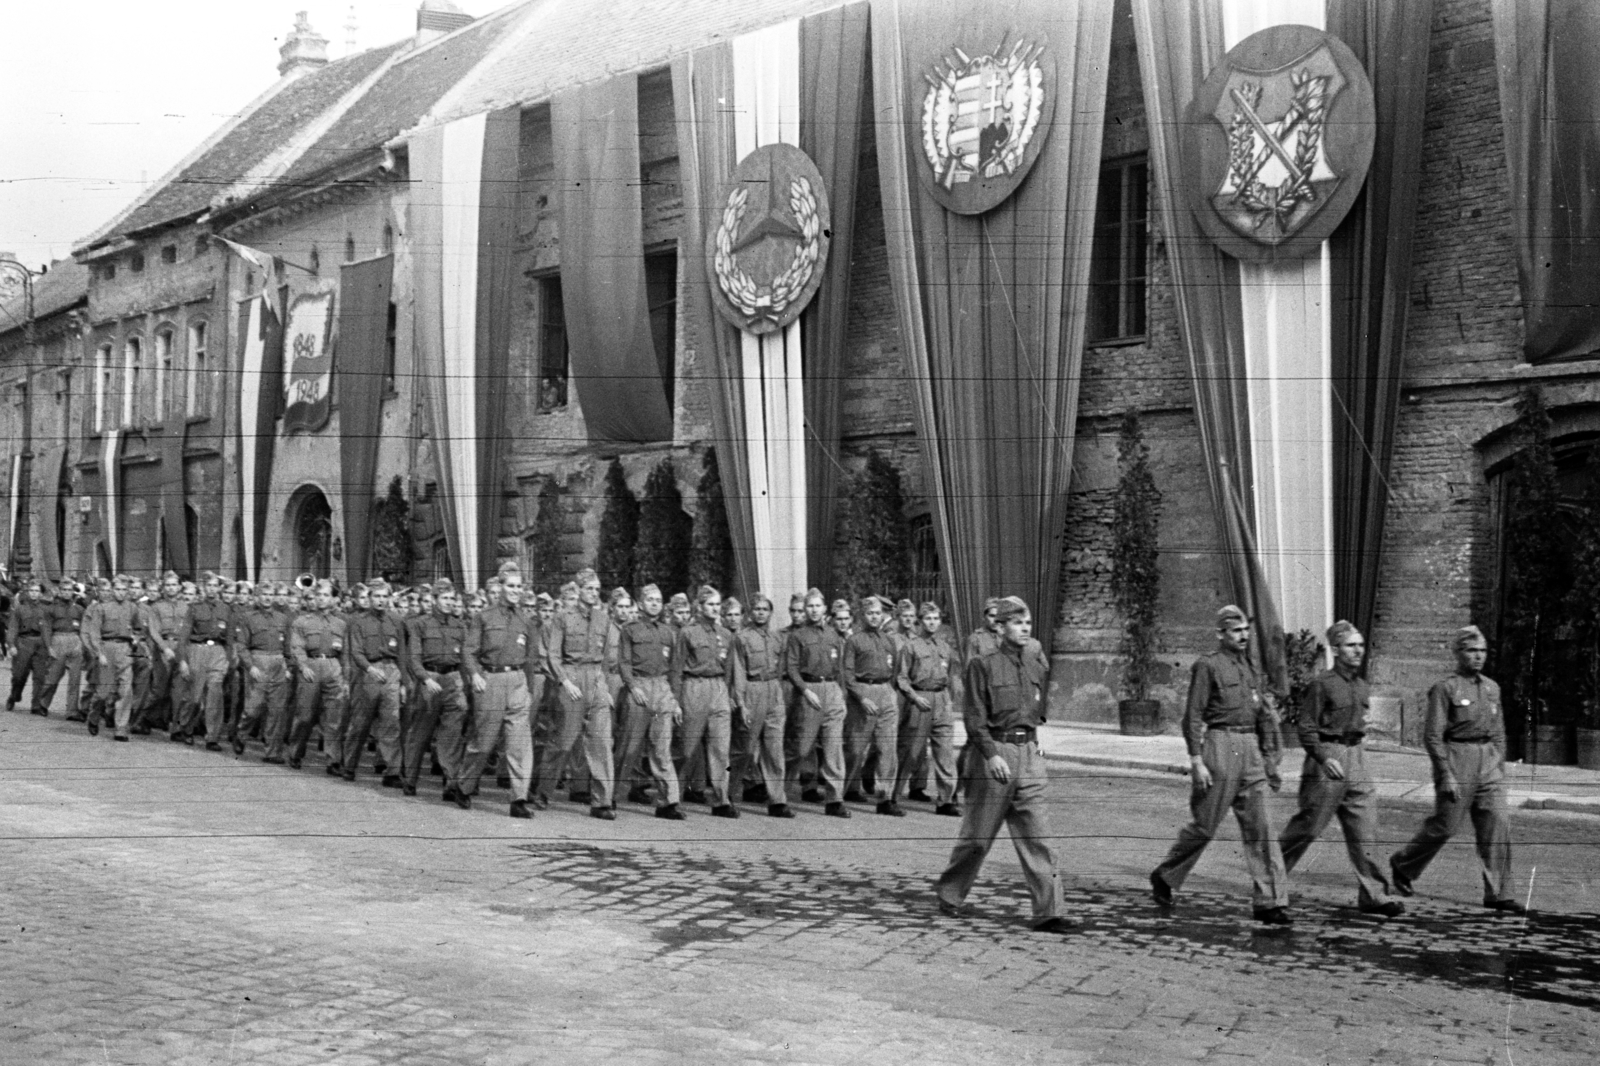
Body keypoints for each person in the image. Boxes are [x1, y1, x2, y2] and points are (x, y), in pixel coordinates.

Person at [933, 596, 1073, 934]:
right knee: (978, 838)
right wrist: (991, 754)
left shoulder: (1034, 662)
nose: (1024, 628)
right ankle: (950, 894)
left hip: (1029, 754)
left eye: (1027, 623)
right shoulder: (982, 664)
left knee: (1039, 837)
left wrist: (1037, 748)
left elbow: (1036, 711)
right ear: (1000, 627)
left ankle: (1049, 910)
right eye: (1016, 623)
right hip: (994, 753)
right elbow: (974, 717)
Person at [1150, 605, 1291, 925]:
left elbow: (1264, 716)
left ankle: (1270, 900)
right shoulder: (1208, 666)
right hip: (1219, 747)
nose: (1242, 635)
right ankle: (1166, 874)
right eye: (1235, 630)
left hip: (1249, 749)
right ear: (1221, 634)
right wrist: (1196, 760)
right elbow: (1193, 716)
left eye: (1245, 630)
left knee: (1263, 828)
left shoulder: (1251, 668)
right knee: (1204, 826)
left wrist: (1270, 761)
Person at [1389, 626, 1527, 914]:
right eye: (1471, 651)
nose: (1478, 657)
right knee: (1446, 826)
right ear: (1458, 653)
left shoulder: (1491, 688)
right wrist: (1445, 773)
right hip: (1457, 757)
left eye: (1482, 651)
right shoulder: (1445, 688)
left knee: (1497, 823)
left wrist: (1499, 765)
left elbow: (1499, 730)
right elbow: (1433, 735)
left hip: (1488, 759)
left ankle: (1499, 893)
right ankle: (1403, 865)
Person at [1278, 621, 1404, 917]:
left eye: (1360, 644)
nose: (1358, 650)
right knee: (1308, 827)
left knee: (1365, 829)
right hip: (1327, 758)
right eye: (1351, 645)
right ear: (1335, 650)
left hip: (1356, 757)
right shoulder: (1322, 684)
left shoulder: (1361, 685)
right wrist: (1323, 757)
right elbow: (1306, 726)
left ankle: (1374, 895)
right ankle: (1269, 881)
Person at [456, 564, 540, 818]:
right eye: (510, 586)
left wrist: (528, 689)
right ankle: (464, 785)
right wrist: (474, 675)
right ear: (500, 587)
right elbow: (469, 651)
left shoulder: (526, 620)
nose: (515, 591)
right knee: (483, 743)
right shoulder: (484, 617)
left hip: (516, 681)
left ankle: (518, 799)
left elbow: (530, 658)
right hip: (490, 679)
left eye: (519, 587)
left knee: (519, 745)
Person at [538, 568, 615, 818]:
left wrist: (602, 684)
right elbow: (553, 654)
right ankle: (543, 792)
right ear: (579, 590)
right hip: (571, 677)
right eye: (589, 588)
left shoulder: (603, 618)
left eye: (596, 589)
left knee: (601, 743)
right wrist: (564, 681)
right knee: (563, 742)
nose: (594, 593)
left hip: (595, 680)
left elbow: (606, 656)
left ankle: (602, 802)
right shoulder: (563, 617)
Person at [614, 583, 684, 819]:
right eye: (650, 600)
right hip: (639, 688)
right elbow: (624, 662)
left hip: (662, 689)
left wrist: (674, 700)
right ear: (641, 604)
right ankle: (608, 795)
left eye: (658, 600)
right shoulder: (630, 630)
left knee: (661, 748)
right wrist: (632, 686)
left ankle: (668, 802)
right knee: (629, 747)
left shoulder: (668, 633)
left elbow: (674, 669)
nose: (654, 603)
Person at [672, 585, 738, 818]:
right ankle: (671, 797)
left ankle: (721, 800)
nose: (714, 608)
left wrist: (727, 694)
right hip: (694, 687)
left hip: (718, 688)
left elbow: (729, 668)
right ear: (699, 607)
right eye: (710, 604)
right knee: (687, 748)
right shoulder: (687, 633)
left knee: (721, 748)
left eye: (717, 604)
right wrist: (676, 701)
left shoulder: (726, 635)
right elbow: (677, 669)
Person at [783, 588, 849, 817]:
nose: (813, 610)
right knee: (800, 749)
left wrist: (841, 696)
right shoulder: (797, 636)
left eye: (817, 606)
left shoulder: (834, 636)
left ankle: (834, 800)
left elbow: (840, 669)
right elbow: (791, 668)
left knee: (833, 748)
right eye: (809, 606)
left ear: (825, 608)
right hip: (809, 691)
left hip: (831, 691)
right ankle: (780, 791)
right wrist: (804, 690)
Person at [402, 579, 469, 800]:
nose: (449, 603)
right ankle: (410, 779)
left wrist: (464, 680)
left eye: (452, 599)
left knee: (451, 734)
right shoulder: (420, 624)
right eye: (445, 599)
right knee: (420, 733)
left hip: (452, 678)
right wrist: (424, 679)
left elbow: (465, 658)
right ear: (435, 600)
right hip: (429, 679)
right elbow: (414, 657)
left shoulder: (460, 626)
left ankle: (450, 783)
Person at [894, 602, 961, 815]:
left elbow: (949, 675)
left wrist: (948, 701)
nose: (932, 623)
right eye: (928, 619)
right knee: (911, 752)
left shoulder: (944, 647)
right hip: (920, 699)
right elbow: (902, 678)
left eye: (936, 619)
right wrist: (913, 697)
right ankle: (892, 795)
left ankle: (946, 800)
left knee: (945, 752)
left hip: (941, 700)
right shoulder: (911, 646)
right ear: (920, 622)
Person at [730, 593, 791, 818]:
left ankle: (777, 800)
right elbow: (738, 673)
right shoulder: (742, 638)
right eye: (756, 609)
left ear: (771, 612)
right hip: (752, 690)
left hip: (773, 691)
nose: (761, 613)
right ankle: (726, 793)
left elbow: (781, 668)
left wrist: (779, 697)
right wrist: (742, 704)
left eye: (765, 609)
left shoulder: (777, 638)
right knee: (744, 749)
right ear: (750, 613)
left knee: (774, 750)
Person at [842, 595, 904, 816]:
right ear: (863, 615)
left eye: (878, 613)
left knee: (887, 747)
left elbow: (894, 669)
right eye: (870, 613)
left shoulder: (889, 641)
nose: (875, 617)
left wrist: (889, 692)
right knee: (856, 747)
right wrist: (862, 697)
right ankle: (848, 787)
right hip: (863, 692)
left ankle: (884, 798)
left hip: (885, 691)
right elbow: (848, 675)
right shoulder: (854, 641)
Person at [342, 579, 406, 785]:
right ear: (369, 599)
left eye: (384, 597)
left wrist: (404, 682)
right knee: (360, 723)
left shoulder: (396, 620)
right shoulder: (358, 622)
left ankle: (392, 771)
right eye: (376, 596)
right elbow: (356, 651)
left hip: (392, 671)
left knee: (391, 722)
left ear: (389, 599)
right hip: (368, 672)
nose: (380, 600)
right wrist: (369, 669)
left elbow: (403, 654)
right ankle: (349, 765)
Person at [285, 579, 349, 771]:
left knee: (334, 716)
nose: (321, 599)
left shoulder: (341, 623)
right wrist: (303, 666)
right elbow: (296, 647)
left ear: (333, 599)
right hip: (311, 666)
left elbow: (346, 653)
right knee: (304, 715)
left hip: (333, 666)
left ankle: (333, 759)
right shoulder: (302, 622)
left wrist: (345, 678)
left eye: (325, 596)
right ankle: (295, 753)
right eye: (318, 595)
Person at [232, 580, 293, 763]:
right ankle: (241, 734)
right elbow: (242, 645)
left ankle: (272, 752)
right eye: (264, 595)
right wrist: (250, 666)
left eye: (270, 595)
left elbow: (288, 646)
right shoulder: (248, 618)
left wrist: (288, 666)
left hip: (278, 663)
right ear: (257, 597)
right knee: (253, 708)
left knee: (276, 709)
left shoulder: (283, 619)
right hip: (258, 663)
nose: (267, 598)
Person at [81, 575, 139, 740]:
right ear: (113, 590)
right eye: (118, 589)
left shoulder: (132, 608)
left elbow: (138, 627)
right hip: (107, 648)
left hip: (125, 650)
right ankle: (93, 715)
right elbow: (94, 634)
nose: (121, 593)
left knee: (126, 690)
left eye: (124, 590)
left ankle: (121, 728)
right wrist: (99, 653)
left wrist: (136, 638)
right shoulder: (102, 608)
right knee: (103, 692)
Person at [179, 573, 233, 751]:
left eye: (215, 585)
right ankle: (186, 727)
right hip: (197, 651)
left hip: (217, 652)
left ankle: (212, 737)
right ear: (203, 587)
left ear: (219, 588)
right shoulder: (194, 608)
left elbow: (230, 637)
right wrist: (183, 660)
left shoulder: (226, 609)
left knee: (215, 696)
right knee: (194, 698)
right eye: (208, 585)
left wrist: (229, 659)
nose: (211, 589)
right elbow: (184, 637)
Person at [38, 579, 85, 720]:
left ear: (73, 592)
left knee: (75, 679)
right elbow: (46, 628)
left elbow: (84, 627)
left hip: (75, 640)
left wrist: (82, 644)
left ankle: (72, 711)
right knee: (53, 677)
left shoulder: (79, 608)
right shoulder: (51, 608)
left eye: (69, 590)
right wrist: (49, 647)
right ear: (59, 591)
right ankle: (43, 703)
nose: (66, 593)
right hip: (58, 639)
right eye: (64, 590)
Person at [5, 579, 53, 715]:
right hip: (23, 642)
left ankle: (36, 705)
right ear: (27, 592)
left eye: (37, 591)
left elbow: (48, 630)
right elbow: (13, 628)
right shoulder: (20, 608)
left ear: (40, 593)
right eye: (32, 591)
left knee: (40, 676)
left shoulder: (45, 609)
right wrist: (11, 645)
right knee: (18, 675)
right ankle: (14, 695)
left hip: (40, 643)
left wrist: (49, 647)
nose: (34, 594)